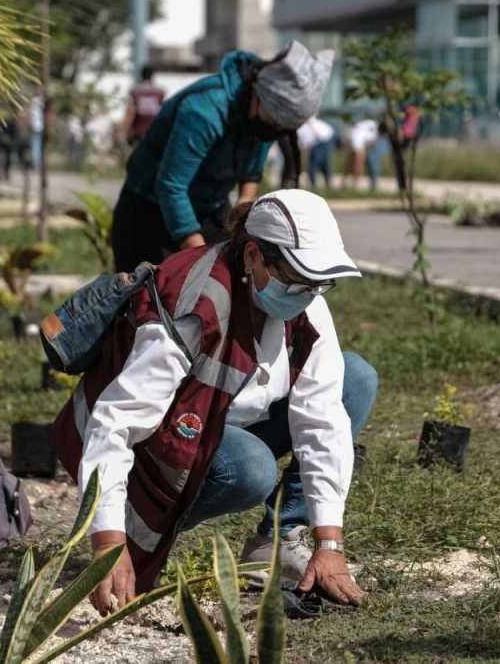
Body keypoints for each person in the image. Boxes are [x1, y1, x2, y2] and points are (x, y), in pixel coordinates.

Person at [51, 189, 375, 613]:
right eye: (298, 279)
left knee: (355, 380)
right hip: (150, 435)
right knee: (250, 468)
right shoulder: (195, 304)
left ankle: (279, 538)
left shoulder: (304, 301)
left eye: (319, 283)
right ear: (254, 255)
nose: (308, 293)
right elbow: (115, 421)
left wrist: (329, 543)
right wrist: (108, 539)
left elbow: (322, 420)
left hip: (223, 418)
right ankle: (135, 524)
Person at [112, 42, 334, 274]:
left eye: (283, 127)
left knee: (226, 288)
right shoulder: (204, 111)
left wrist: (244, 204)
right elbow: (171, 186)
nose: (275, 130)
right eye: (274, 122)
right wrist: (203, 262)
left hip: (210, 207)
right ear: (258, 94)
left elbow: (252, 170)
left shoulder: (263, 119)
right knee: (149, 299)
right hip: (149, 209)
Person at [120, 65, 165, 148]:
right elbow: (162, 110)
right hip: (154, 129)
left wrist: (123, 132)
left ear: (141, 76)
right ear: (152, 76)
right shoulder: (160, 92)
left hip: (138, 130)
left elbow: (130, 112)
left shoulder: (135, 91)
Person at [297, 116, 335, 188]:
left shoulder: (306, 122)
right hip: (319, 141)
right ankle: (316, 183)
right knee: (319, 163)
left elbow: (305, 142)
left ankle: (319, 184)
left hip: (323, 140)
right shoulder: (302, 125)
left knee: (317, 164)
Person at [346, 118, 377, 190]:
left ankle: (351, 183)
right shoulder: (369, 127)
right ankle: (355, 184)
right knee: (358, 166)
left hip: (356, 145)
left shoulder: (357, 128)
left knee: (351, 165)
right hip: (359, 147)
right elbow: (372, 141)